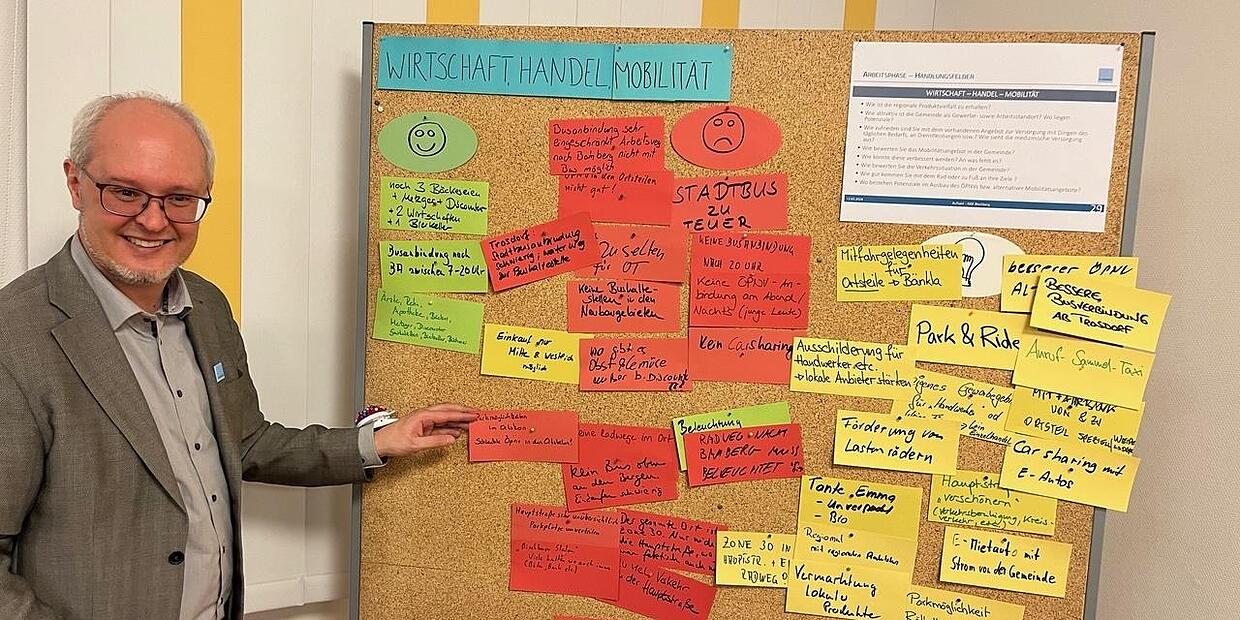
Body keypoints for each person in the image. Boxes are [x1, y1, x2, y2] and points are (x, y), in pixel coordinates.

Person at [0, 93, 477, 619]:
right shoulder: (15, 339)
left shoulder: (205, 305)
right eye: (126, 193)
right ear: (75, 184)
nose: (155, 221)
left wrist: (378, 441)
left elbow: (244, 441)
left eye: (180, 198)